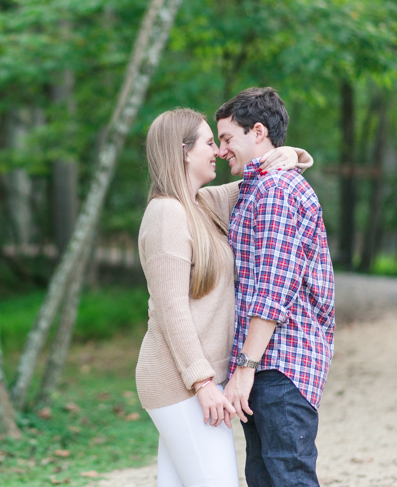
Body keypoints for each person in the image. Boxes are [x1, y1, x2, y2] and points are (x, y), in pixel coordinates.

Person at [135, 107, 314, 486]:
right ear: (184, 151)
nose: (217, 151)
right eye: (209, 142)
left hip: (193, 381)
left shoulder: (202, 205)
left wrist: (291, 153)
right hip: (177, 382)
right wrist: (203, 384)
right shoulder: (166, 213)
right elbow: (172, 313)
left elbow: (259, 179)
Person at [218, 87, 335, 487]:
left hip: (279, 366)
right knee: (265, 478)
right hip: (266, 365)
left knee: (289, 477)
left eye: (227, 138)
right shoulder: (258, 188)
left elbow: (272, 290)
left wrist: (244, 368)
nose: (221, 150)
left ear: (258, 132)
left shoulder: (276, 192)